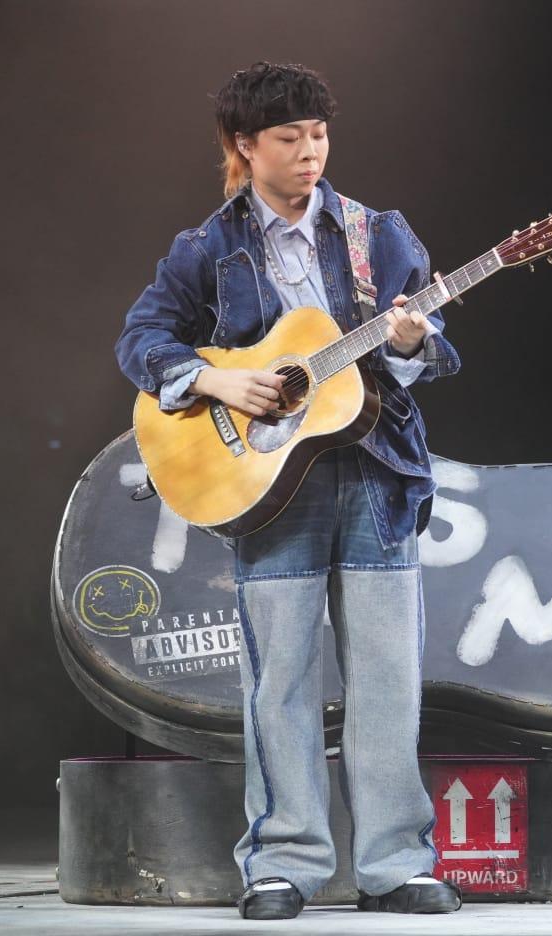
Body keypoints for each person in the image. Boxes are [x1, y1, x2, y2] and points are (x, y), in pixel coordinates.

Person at [115, 62, 463, 920]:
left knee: (388, 678)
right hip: (268, 484)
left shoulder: (378, 234)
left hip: (378, 472)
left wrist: (410, 341)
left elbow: (430, 351)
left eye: (319, 134)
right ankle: (283, 863)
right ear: (245, 145)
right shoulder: (207, 248)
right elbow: (142, 337)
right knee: (281, 681)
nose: (311, 152)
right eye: (289, 137)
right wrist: (214, 380)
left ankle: (394, 864)